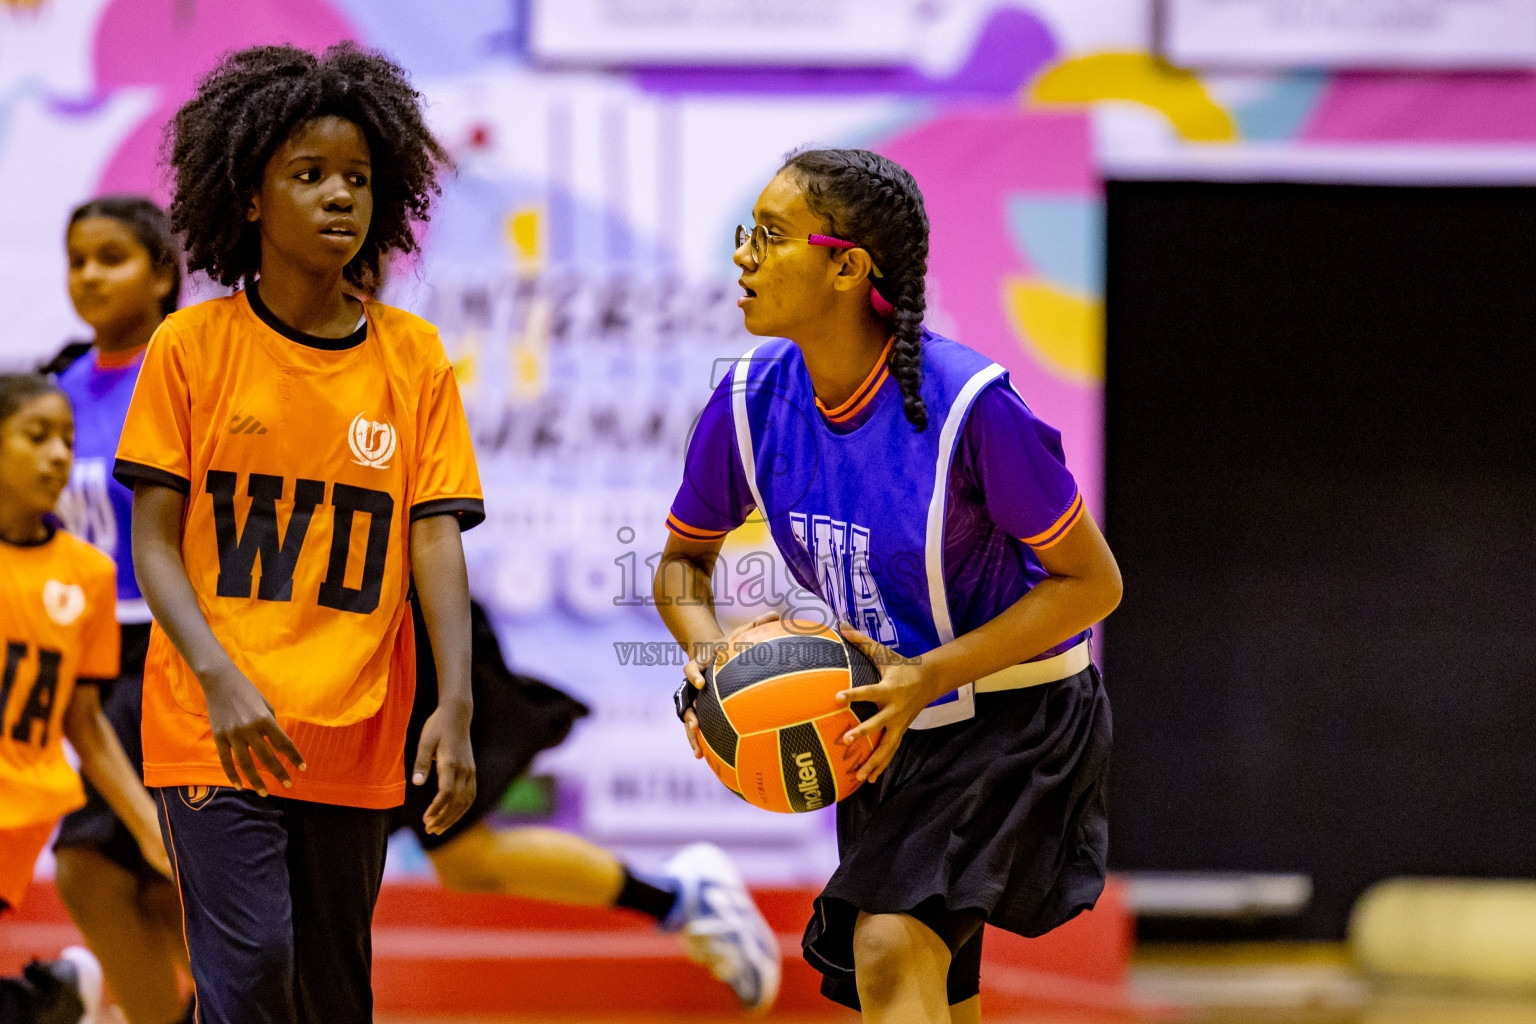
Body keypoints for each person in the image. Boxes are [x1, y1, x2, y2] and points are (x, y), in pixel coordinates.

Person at [656, 148, 1122, 1023]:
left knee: (886, 942)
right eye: (745, 234)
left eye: (769, 235)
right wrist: (716, 656)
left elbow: (1092, 586)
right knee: (935, 985)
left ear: (846, 265)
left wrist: (932, 677)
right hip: (883, 721)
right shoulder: (749, 404)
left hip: (1017, 716)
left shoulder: (970, 408)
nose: (742, 256)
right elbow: (682, 565)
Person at [115, 43, 479, 1024]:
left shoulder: (414, 356)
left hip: (357, 730)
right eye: (308, 175)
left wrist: (455, 700)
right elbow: (151, 544)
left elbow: (434, 537)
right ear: (247, 198)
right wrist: (216, 673)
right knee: (253, 974)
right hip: (213, 726)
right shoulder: (191, 346)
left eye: (357, 180)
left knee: (330, 997)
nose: (337, 198)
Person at [396, 599, 783, 1013]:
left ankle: (683, 896)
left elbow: (435, 536)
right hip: (366, 646)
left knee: (454, 849)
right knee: (464, 859)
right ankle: (681, 897)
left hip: (399, 648)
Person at [42, 196, 192, 1024]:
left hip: (177, 652)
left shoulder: (184, 370)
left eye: (112, 257)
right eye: (77, 259)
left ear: (162, 273)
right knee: (95, 874)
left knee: (177, 881)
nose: (89, 275)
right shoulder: (54, 384)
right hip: (90, 658)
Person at [0, 373, 172, 1024]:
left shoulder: (88, 575)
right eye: (35, 436)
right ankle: (53, 998)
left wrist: (147, 825)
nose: (56, 456)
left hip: (19, 807)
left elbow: (86, 724)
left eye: (66, 441)